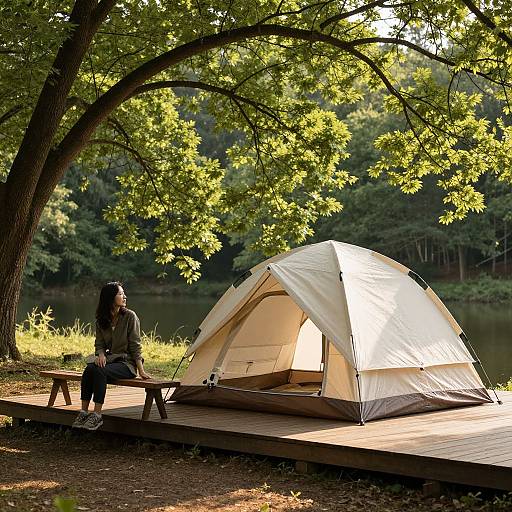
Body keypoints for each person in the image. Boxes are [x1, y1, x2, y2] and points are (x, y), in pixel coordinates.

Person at [72, 281, 151, 430]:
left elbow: (135, 345)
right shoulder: (101, 319)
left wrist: (140, 370)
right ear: (110, 298)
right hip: (110, 361)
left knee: (99, 370)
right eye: (120, 294)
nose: (124, 296)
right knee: (90, 369)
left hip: (127, 364)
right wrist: (100, 354)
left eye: (123, 293)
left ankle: (97, 415)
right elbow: (99, 344)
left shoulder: (130, 317)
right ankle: (83, 412)